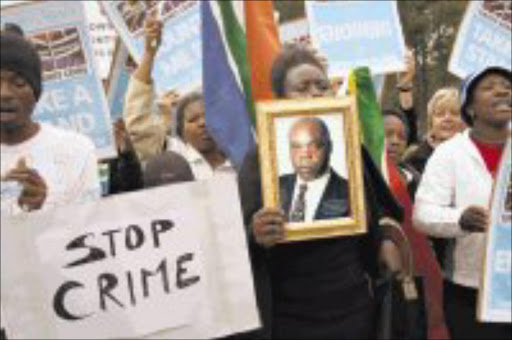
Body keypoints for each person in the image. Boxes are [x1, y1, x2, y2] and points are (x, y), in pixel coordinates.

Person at [249, 45, 407, 339]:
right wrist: (254, 233)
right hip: (290, 315)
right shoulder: (258, 160)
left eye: (321, 86)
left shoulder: (351, 151)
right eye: (302, 87)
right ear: (281, 99)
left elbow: (381, 209)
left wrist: (385, 239)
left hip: (353, 308)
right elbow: (235, 240)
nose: (315, 93)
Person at [413, 66, 512, 340]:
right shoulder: (450, 154)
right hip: (470, 292)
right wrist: (460, 219)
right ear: (470, 107)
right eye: (490, 87)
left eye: (506, 85)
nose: (503, 91)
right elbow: (422, 214)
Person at [1, 32, 100, 215]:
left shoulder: (76, 151)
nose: (4, 93)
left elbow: (88, 230)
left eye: (19, 82)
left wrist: (41, 211)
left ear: (35, 92)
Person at [123, 16, 232, 179]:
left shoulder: (242, 153)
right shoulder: (173, 159)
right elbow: (138, 124)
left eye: (207, 116)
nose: (202, 123)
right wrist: (149, 54)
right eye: (193, 120)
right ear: (181, 131)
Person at [281, 117, 349, 222]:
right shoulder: (274, 188)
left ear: (330, 147)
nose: (304, 155)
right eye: (296, 146)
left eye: (314, 145)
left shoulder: (351, 193)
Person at [404, 87, 466, 174]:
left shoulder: (475, 156)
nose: (447, 118)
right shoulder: (414, 160)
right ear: (431, 122)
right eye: (440, 114)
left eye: (455, 113)